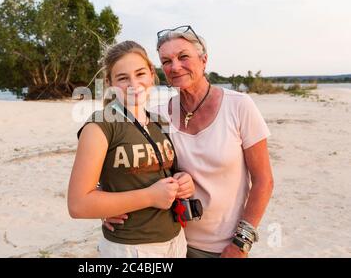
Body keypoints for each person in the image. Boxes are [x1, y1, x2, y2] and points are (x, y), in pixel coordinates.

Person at [104, 26, 274, 258]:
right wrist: (105, 207)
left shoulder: (239, 106)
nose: (175, 66)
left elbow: (264, 180)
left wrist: (241, 242)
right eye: (166, 61)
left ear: (204, 60)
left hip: (225, 247)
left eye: (183, 56)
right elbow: (123, 168)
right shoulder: (156, 115)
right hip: (171, 243)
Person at [67, 40, 195, 258]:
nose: (134, 84)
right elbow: (78, 205)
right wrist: (149, 197)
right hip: (131, 249)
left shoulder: (158, 121)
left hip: (176, 241)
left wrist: (184, 181)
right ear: (110, 83)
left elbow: (159, 173)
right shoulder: (101, 125)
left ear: (151, 74)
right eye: (123, 78)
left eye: (140, 74)